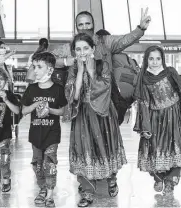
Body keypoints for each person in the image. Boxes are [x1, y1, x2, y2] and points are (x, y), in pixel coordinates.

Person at [65, 33, 127, 207]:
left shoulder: (103, 65)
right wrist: (80, 73)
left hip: (103, 115)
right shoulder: (73, 69)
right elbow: (73, 95)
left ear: (92, 49)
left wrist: (91, 71)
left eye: (85, 48)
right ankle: (87, 190)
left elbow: (105, 89)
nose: (82, 52)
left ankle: (111, 180)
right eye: (78, 49)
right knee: (84, 150)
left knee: (105, 148)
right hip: (82, 116)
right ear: (74, 52)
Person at [133, 45, 181, 196]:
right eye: (151, 59)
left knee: (176, 148)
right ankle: (158, 178)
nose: (155, 62)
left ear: (163, 59)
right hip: (155, 119)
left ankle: (171, 180)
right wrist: (145, 126)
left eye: (158, 58)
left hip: (175, 117)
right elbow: (143, 102)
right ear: (146, 60)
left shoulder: (170, 72)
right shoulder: (143, 78)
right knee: (155, 148)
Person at [21, 52, 67, 207]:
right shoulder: (31, 89)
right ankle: (42, 187)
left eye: (39, 67)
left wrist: (49, 110)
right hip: (35, 134)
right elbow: (23, 111)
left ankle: (49, 193)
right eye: (34, 67)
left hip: (52, 134)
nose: (35, 70)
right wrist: (35, 105)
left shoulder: (58, 90)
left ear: (50, 69)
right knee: (37, 164)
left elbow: (63, 111)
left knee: (50, 163)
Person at [51, 9, 151, 69]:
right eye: (81, 25)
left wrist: (140, 29)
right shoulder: (69, 47)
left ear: (93, 24)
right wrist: (64, 62)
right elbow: (46, 59)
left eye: (87, 23)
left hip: (103, 98)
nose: (85, 27)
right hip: (77, 98)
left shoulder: (105, 42)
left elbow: (124, 40)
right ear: (76, 27)